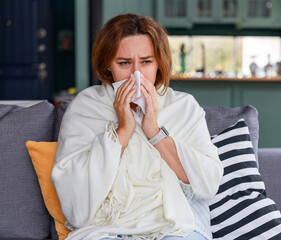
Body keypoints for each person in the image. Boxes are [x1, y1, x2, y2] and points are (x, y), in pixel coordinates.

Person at [51, 13, 223, 240]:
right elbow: (74, 202)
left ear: (159, 63)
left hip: (171, 226)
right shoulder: (86, 107)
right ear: (107, 65)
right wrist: (122, 131)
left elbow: (208, 182)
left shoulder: (184, 107)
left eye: (146, 62)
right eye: (124, 63)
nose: (136, 75)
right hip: (105, 227)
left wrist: (154, 131)